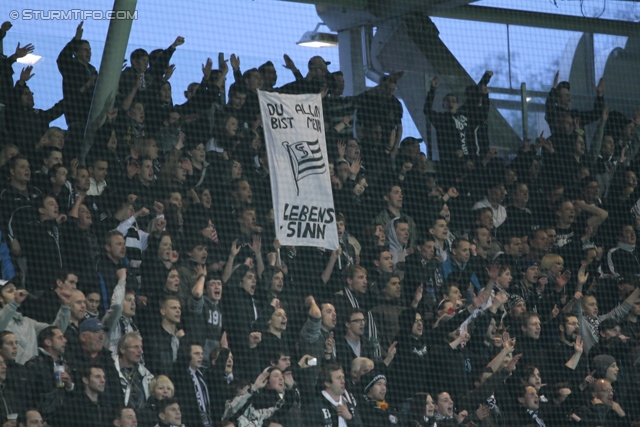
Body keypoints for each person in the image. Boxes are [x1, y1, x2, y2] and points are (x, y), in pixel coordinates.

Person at [0, 280, 71, 364]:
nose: (16, 293)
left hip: (33, 372)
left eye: (16, 290)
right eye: (10, 291)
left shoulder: (28, 322)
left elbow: (55, 332)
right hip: (9, 371)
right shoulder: (3, 321)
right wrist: (13, 304)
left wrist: (65, 308)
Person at [25, 327, 74, 425]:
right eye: (60, 338)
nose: (65, 340)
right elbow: (29, 397)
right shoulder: (34, 365)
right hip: (45, 421)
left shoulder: (66, 364)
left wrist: (69, 385)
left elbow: (71, 396)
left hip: (66, 420)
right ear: (48, 342)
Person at [113, 332, 153, 412]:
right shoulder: (111, 370)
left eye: (141, 347)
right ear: (122, 349)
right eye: (135, 347)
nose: (140, 351)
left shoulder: (146, 374)